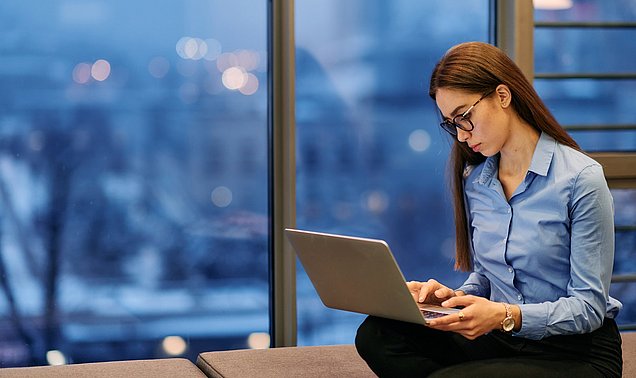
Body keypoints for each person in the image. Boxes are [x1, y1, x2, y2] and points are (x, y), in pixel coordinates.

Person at [354, 41, 623, 377]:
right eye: (451, 124)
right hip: (502, 337)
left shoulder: (580, 179)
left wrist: (502, 315)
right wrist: (450, 300)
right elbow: (487, 277)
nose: (462, 136)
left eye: (464, 117)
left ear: (502, 96)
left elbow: (588, 308)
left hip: (576, 351)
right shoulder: (477, 181)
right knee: (376, 335)